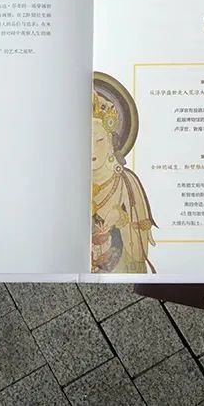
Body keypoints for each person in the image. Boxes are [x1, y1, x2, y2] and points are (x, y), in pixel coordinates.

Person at [91, 89, 156, 273]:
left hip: (118, 268)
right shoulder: (70, 183)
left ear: (111, 143)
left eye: (99, 140)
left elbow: (139, 250)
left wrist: (121, 218)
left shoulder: (127, 183)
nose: (92, 149)